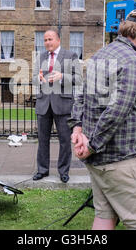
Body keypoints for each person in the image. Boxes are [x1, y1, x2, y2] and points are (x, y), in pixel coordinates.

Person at [68, 9, 136, 230]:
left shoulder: (101, 54)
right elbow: (117, 111)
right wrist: (91, 145)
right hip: (121, 159)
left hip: (98, 161)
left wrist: (77, 130)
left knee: (104, 217)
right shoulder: (134, 61)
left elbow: (81, 95)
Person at [32, 30, 81, 183]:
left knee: (65, 140)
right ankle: (42, 170)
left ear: (58, 40)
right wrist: (38, 79)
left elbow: (78, 78)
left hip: (63, 104)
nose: (47, 42)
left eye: (50, 39)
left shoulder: (70, 55)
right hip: (43, 104)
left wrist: (62, 77)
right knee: (42, 139)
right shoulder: (40, 57)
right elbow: (34, 78)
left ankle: (64, 171)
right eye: (45, 40)